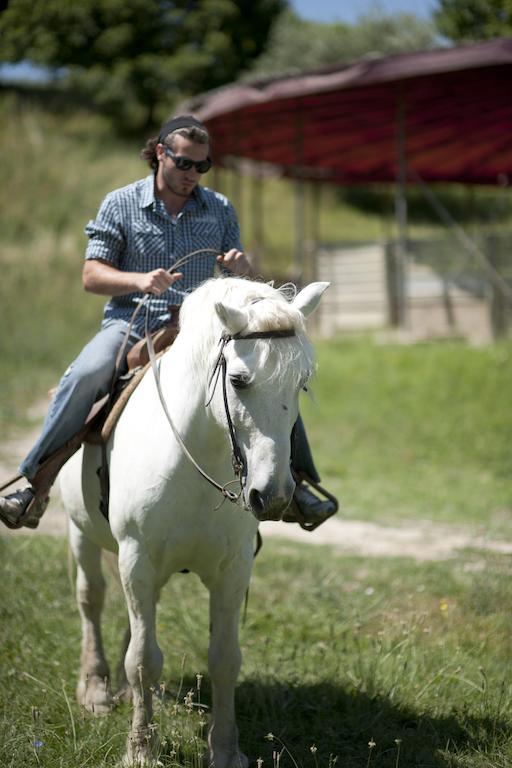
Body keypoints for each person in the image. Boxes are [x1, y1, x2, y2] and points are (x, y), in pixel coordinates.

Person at [0, 115, 337, 531]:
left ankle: (298, 486)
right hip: (130, 323)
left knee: (269, 376)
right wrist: (139, 280)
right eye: (184, 163)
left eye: (202, 166)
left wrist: (244, 269)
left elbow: (239, 287)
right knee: (86, 374)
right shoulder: (120, 203)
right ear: (160, 153)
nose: (192, 174)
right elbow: (92, 276)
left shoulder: (220, 209)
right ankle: (35, 487)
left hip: (204, 330)